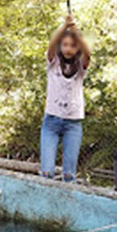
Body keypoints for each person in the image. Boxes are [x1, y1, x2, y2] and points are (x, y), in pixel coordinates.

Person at [40, 14, 91, 182]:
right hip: (51, 122)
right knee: (47, 173)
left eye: (73, 46)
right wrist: (64, 26)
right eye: (65, 45)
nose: (69, 49)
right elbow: (51, 46)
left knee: (69, 174)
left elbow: (87, 55)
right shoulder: (53, 62)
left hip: (73, 123)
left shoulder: (80, 68)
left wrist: (76, 33)